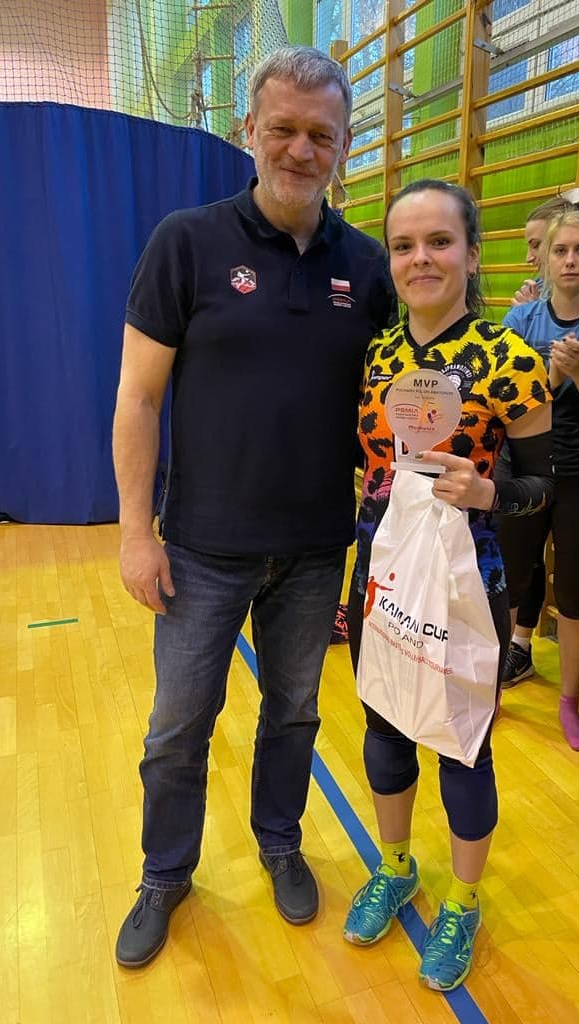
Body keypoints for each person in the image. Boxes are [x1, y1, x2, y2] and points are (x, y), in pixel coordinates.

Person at [111, 46, 395, 968]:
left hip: (315, 549)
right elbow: (137, 398)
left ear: (344, 146)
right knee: (177, 730)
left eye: (321, 135)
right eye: (284, 129)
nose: (301, 150)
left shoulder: (367, 265)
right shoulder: (186, 242)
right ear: (250, 131)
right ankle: (165, 874)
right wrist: (135, 533)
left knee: (295, 714)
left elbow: (402, 401)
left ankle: (280, 842)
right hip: (201, 548)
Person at [342, 179, 553, 991]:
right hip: (381, 569)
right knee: (385, 722)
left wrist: (490, 492)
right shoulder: (376, 353)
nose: (420, 258)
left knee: (464, 746)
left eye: (439, 241)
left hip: (471, 577)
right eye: (403, 245)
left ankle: (463, 901)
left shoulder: (511, 360)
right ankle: (395, 867)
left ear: (471, 253)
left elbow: (549, 483)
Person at [498, 209, 579, 750]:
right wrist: (554, 375)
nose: (571, 260)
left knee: (575, 596)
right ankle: (492, 689)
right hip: (526, 472)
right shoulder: (520, 321)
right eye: (560, 250)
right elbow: (511, 406)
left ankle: (570, 703)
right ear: (545, 258)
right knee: (510, 583)